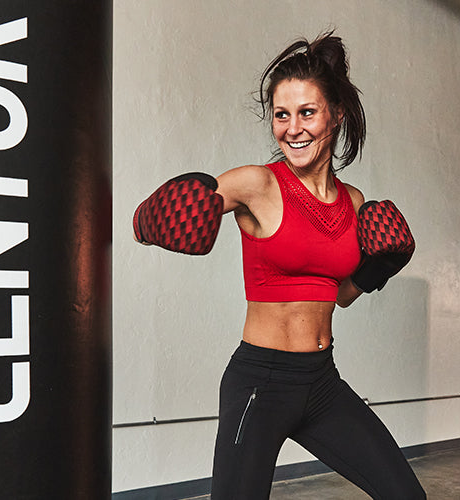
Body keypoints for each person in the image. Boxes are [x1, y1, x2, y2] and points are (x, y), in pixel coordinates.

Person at [133, 31, 424, 499]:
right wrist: (156, 218)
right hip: (260, 384)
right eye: (281, 115)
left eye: (307, 112)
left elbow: (339, 295)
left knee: (406, 494)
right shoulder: (257, 185)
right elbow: (168, 213)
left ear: (337, 115)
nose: (292, 128)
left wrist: (376, 270)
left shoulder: (353, 201)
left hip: (322, 382)